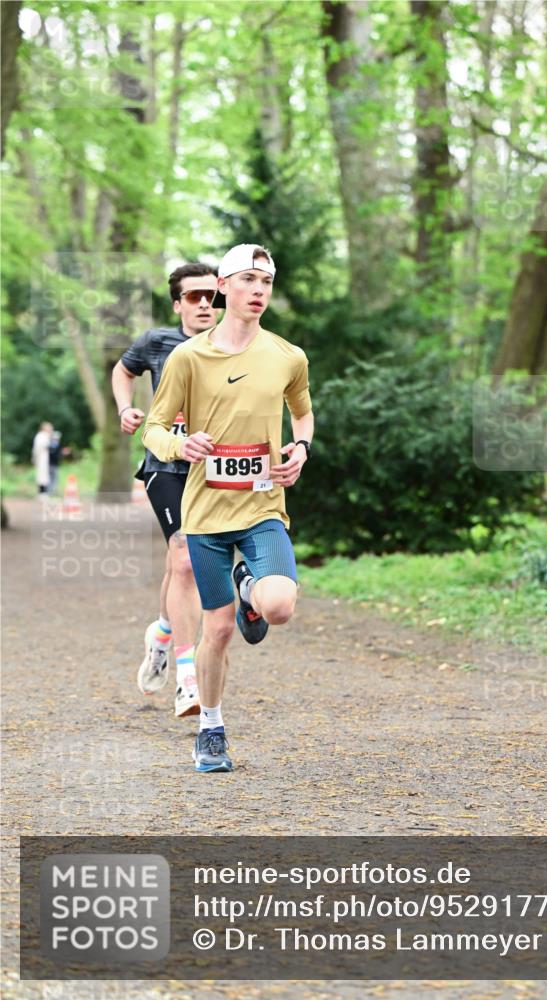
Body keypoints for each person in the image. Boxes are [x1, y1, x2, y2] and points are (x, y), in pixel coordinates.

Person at [142, 244, 313, 772]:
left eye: (266, 281)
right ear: (223, 285)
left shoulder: (288, 356)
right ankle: (210, 728)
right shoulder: (188, 357)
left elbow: (302, 418)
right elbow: (153, 427)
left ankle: (251, 592)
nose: (258, 290)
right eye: (247, 280)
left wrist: (300, 451)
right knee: (216, 629)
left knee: (280, 606)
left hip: (263, 505)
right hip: (206, 515)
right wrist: (180, 445)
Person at [111, 263, 222, 718]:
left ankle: (161, 633)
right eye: (193, 297)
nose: (203, 304)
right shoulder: (157, 342)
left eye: (211, 296)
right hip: (167, 464)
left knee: (182, 568)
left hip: (218, 469)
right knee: (182, 557)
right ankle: (187, 677)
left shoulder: (236, 346)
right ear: (178, 304)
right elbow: (123, 370)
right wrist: (126, 409)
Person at [32, 422, 52, 495]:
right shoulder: (41, 436)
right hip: (41, 458)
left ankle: (44, 491)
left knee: (44, 475)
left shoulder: (44, 436)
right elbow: (38, 448)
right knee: (41, 475)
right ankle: (42, 492)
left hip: (44, 457)